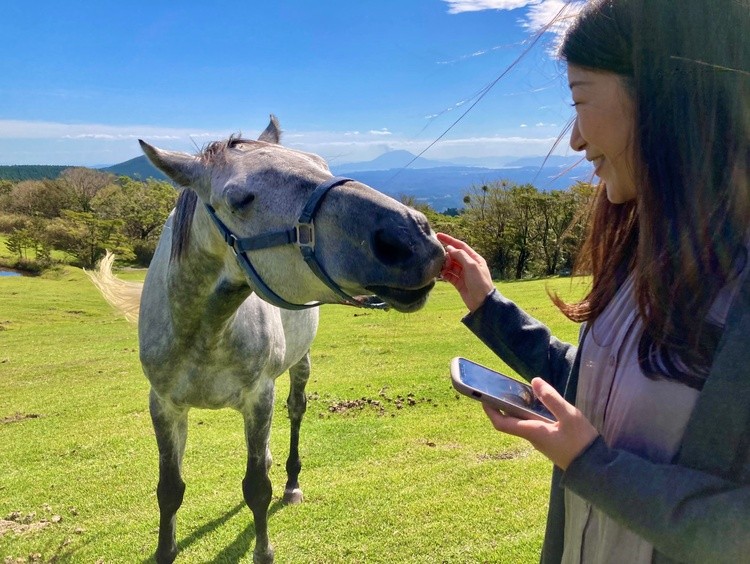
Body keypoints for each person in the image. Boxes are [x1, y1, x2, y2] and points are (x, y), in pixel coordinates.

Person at [438, 0, 750, 562]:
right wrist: (487, 304)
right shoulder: (642, 257)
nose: (576, 140)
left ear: (667, 101)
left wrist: (591, 464)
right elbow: (597, 388)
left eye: (580, 101)